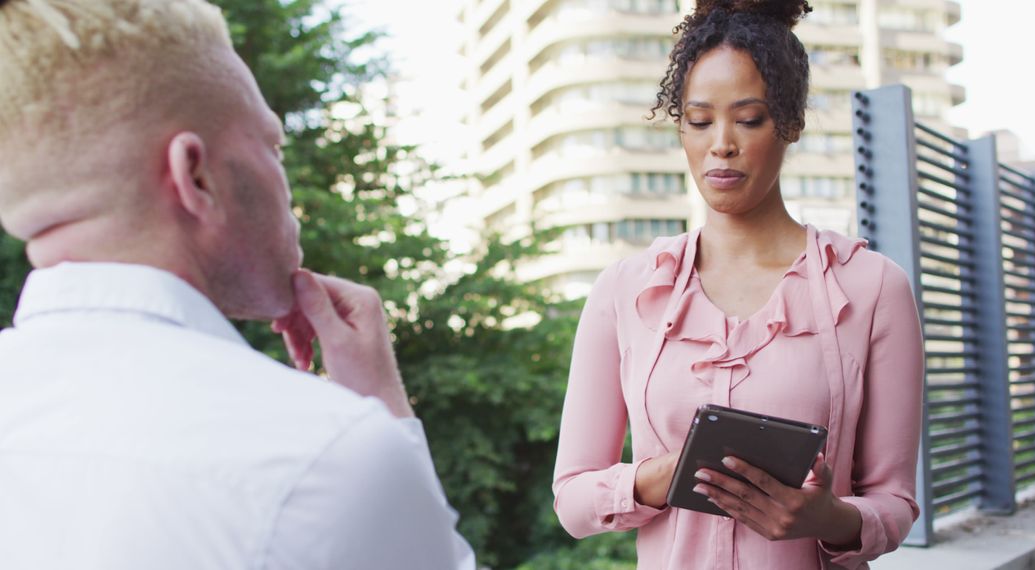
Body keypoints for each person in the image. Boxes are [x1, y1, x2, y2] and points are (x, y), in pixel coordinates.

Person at [0, 1, 474, 568]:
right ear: (194, 175)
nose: (285, 180)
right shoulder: (326, 457)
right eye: (272, 147)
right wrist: (382, 418)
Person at [552, 1, 924, 568]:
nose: (721, 143)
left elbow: (895, 502)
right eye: (699, 121)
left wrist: (830, 519)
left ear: (791, 124)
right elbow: (573, 500)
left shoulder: (873, 288)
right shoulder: (623, 291)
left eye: (749, 119)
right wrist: (659, 477)